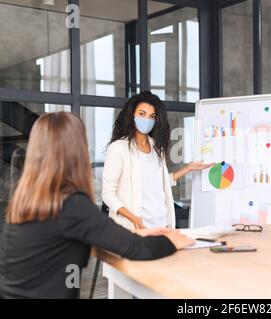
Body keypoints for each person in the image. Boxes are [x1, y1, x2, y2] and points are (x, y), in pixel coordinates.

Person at [0, 112, 194, 299]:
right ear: (77, 152)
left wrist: (139, 234)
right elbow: (137, 249)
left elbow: (95, 235)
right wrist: (174, 241)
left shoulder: (28, 201)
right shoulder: (70, 204)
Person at [102, 91, 212, 230]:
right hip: (136, 228)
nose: (147, 120)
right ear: (131, 115)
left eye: (151, 116)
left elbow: (160, 183)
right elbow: (107, 194)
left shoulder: (155, 147)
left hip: (162, 225)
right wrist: (133, 218)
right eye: (142, 114)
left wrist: (188, 168)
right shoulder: (118, 148)